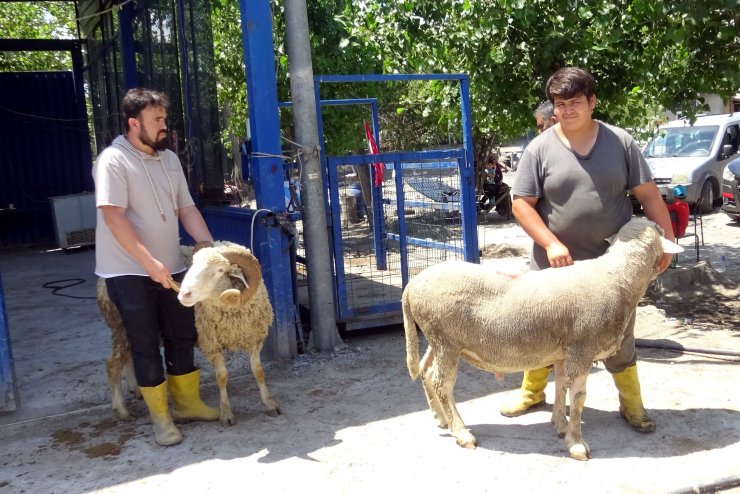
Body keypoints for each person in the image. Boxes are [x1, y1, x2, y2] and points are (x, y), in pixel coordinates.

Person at [502, 67, 675, 433]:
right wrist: (550, 243)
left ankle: (632, 404)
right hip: (556, 266)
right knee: (542, 332)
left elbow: (647, 195)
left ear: (592, 101)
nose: (567, 111)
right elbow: (521, 203)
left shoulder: (621, 142)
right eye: (560, 104)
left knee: (619, 334)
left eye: (575, 102)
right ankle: (532, 392)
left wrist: (667, 243)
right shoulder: (539, 148)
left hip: (614, 269)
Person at [93, 88, 219, 446]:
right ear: (134, 124)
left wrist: (206, 247)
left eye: (165, 118)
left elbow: (187, 209)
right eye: (157, 120)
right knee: (145, 343)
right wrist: (148, 263)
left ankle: (188, 403)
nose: (165, 126)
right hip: (127, 272)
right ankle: (161, 418)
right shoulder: (113, 161)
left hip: (172, 267)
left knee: (182, 334)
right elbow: (114, 218)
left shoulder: (169, 160)